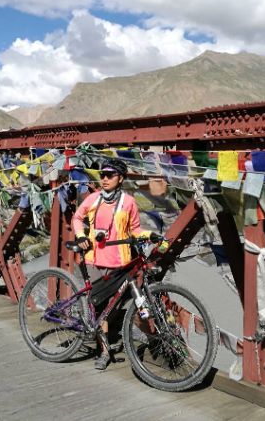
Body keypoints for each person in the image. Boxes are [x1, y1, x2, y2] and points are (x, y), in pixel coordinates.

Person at [72, 157, 165, 370]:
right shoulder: (93, 199)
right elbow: (77, 218)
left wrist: (151, 235)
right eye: (102, 175)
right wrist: (80, 235)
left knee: (136, 302)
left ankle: (156, 344)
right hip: (95, 259)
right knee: (100, 307)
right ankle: (104, 352)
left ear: (120, 178)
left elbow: (135, 230)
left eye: (109, 175)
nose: (104, 179)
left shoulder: (129, 202)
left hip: (121, 262)